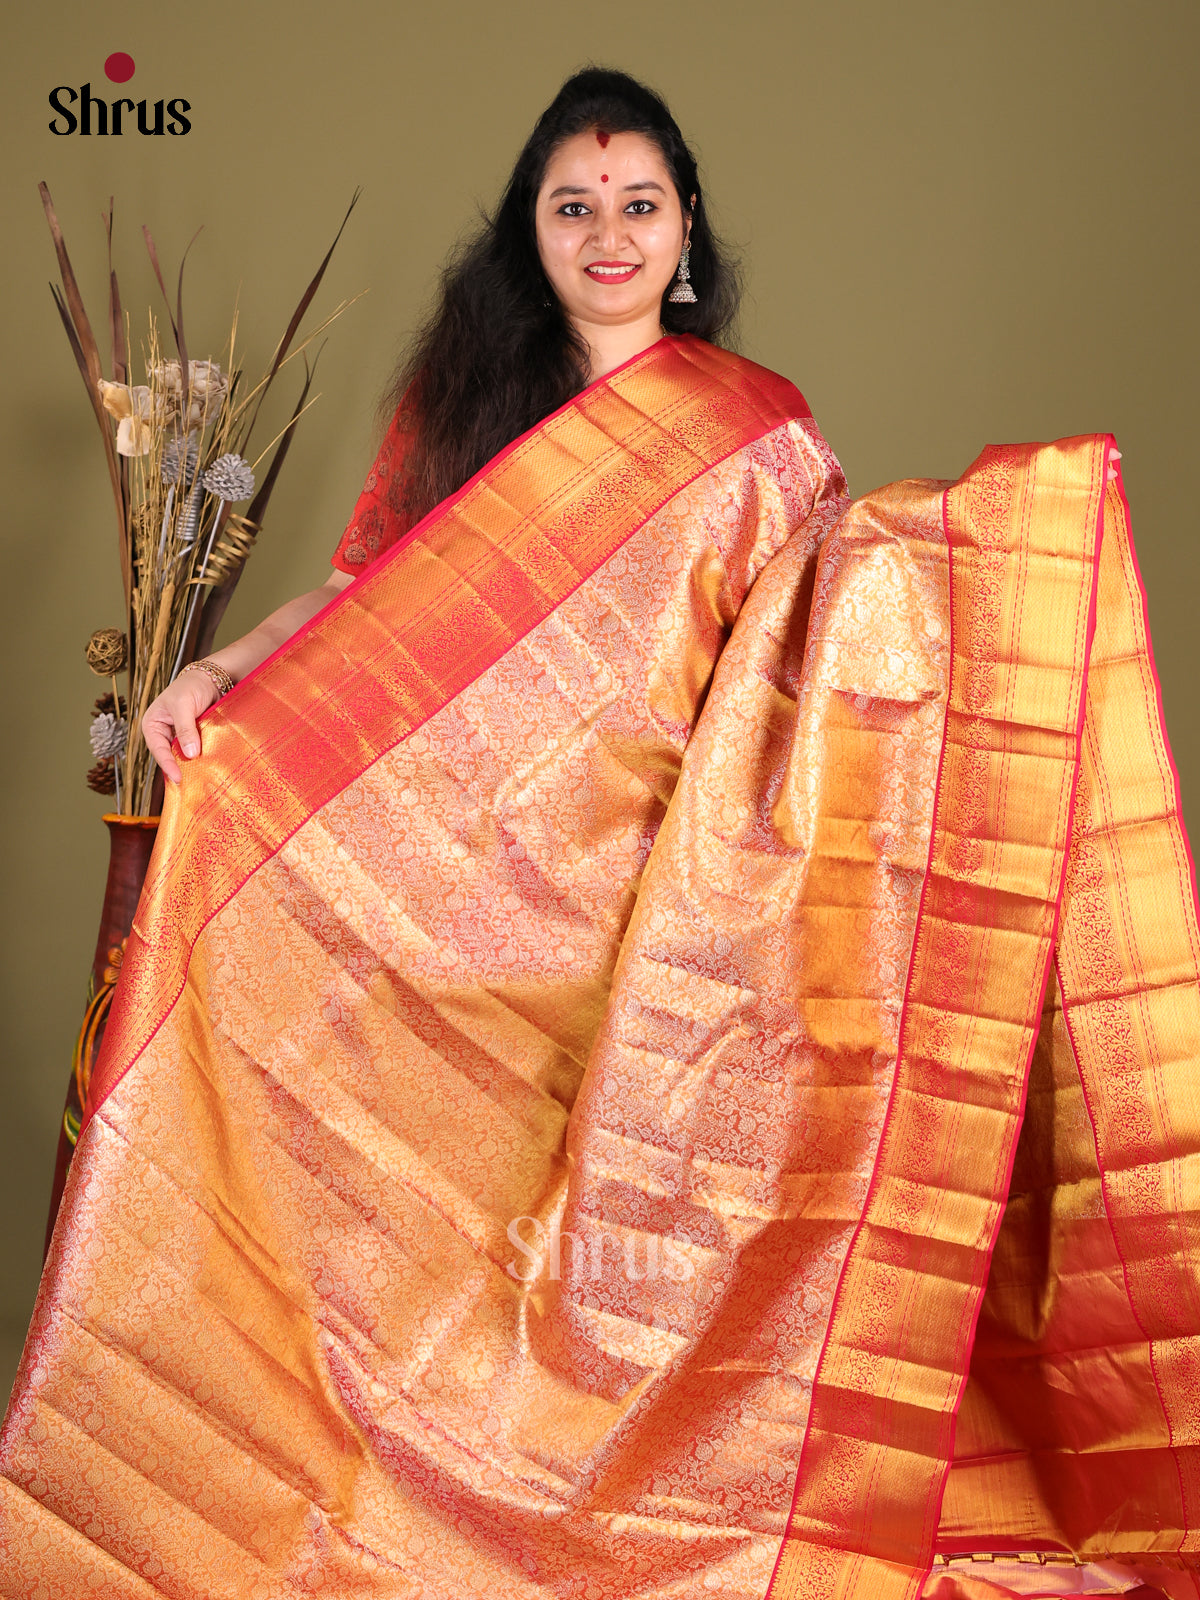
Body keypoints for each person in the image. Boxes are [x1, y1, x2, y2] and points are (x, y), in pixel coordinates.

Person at [4, 68, 1200, 1600]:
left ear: (684, 229)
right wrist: (223, 672)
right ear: (533, 234)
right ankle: (310, 1476)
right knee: (287, 972)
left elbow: (808, 636)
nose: (610, 234)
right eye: (575, 208)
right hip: (462, 874)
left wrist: (979, 554)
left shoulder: (750, 427)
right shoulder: (472, 405)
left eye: (639, 205)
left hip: (648, 893)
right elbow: (373, 595)